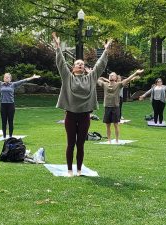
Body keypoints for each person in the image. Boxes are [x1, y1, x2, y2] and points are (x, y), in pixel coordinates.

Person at [52, 32, 111, 177]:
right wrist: (58, 48)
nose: (80, 64)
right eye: (78, 63)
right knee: (70, 143)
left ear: (84, 68)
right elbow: (60, 63)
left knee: (81, 144)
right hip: (70, 116)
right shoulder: (68, 77)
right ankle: (70, 170)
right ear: (73, 67)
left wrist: (106, 50)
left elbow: (100, 66)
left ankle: (79, 170)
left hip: (85, 116)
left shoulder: (90, 78)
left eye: (82, 64)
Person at [0, 69, 40, 139]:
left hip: (11, 105)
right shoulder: (1, 84)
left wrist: (32, 77)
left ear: (10, 78)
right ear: (3, 78)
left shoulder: (13, 84)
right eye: (5, 77)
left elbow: (23, 81)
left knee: (10, 121)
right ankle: (4, 136)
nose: (6, 78)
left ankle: (10, 136)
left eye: (8, 77)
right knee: (4, 121)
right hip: (3, 105)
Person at [98, 70, 144, 144]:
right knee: (107, 126)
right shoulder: (105, 84)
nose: (111, 76)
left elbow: (128, 79)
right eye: (110, 75)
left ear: (116, 78)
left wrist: (135, 73)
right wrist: (91, 73)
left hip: (115, 107)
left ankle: (116, 140)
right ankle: (109, 140)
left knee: (116, 125)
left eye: (113, 75)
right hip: (107, 107)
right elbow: (96, 79)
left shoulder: (118, 85)